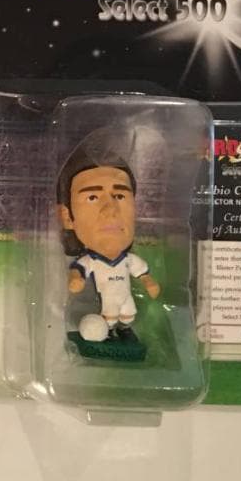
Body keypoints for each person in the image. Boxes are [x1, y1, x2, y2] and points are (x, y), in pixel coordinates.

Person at [56, 147, 160, 344]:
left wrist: (149, 282)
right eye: (92, 197)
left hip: (125, 299)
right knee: (110, 317)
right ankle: (109, 334)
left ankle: (125, 331)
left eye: (119, 196)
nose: (111, 210)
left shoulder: (128, 259)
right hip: (107, 303)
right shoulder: (91, 261)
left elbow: (141, 272)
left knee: (128, 314)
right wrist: (76, 279)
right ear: (67, 217)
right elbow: (79, 270)